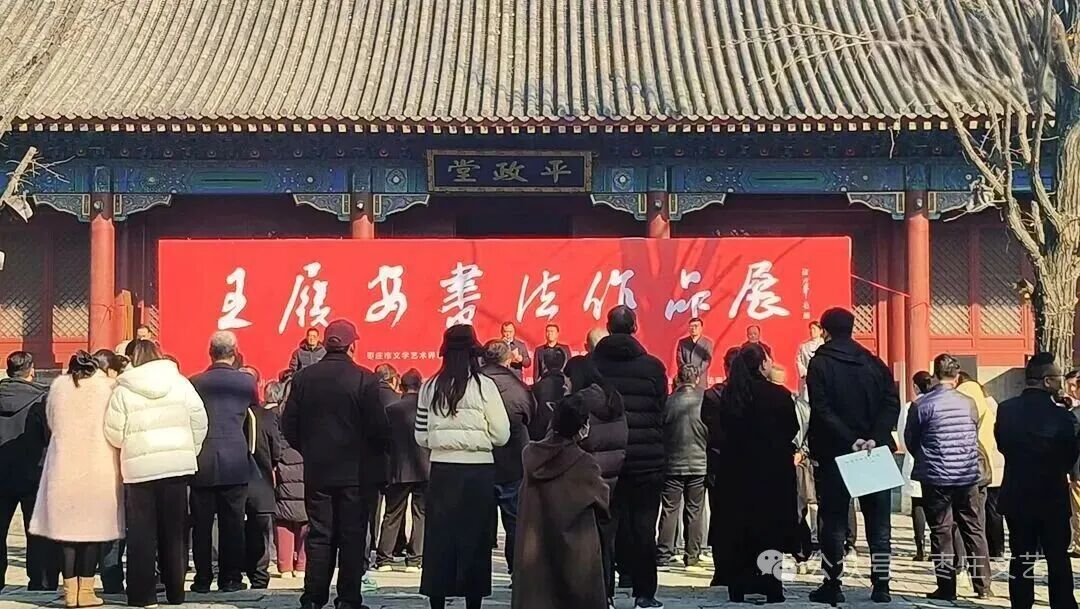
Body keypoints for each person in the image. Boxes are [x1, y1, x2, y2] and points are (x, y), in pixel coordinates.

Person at [282, 319, 389, 609]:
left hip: (318, 471)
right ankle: (348, 599)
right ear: (352, 346)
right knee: (352, 536)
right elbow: (379, 428)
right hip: (356, 473)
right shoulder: (365, 379)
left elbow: (288, 424)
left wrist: (308, 449)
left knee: (320, 534)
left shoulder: (304, 378)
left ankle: (313, 598)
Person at [805, 307, 899, 604]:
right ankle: (881, 585)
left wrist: (850, 438)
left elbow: (821, 408)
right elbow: (891, 402)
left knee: (833, 521)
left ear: (824, 331)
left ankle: (833, 583)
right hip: (874, 450)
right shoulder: (873, 363)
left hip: (835, 450)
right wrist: (874, 437)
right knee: (879, 523)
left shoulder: (820, 363)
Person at [105, 339, 208, 607]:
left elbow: (113, 432)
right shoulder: (181, 383)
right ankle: (175, 592)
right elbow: (200, 420)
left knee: (141, 533)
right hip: (176, 466)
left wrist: (131, 445)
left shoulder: (123, 390)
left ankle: (142, 595)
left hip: (139, 470)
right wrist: (189, 450)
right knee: (175, 532)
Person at [416, 324, 510, 609]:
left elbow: (421, 436)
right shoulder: (484, 386)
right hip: (478, 471)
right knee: (475, 538)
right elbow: (502, 434)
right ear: (473, 352)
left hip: (442, 470)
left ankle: (437, 600)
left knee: (440, 538)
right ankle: (472, 602)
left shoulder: (429, 386)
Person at [31, 351, 123, 609]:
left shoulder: (58, 388)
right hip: (98, 465)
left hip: (63, 464)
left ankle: (70, 592)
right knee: (92, 533)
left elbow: (51, 422)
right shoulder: (106, 389)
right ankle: (87, 591)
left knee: (66, 534)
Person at [591, 305, 668, 609]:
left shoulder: (593, 365)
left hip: (603, 459)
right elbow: (661, 408)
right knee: (643, 529)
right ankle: (644, 594)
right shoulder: (653, 367)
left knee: (604, 529)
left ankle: (604, 593)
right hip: (646, 459)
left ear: (608, 327)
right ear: (634, 328)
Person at [995, 352, 1080, 609]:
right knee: (1057, 557)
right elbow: (1070, 456)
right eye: (1058, 377)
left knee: (1021, 556)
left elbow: (1003, 446)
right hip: (1051, 495)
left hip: (1017, 493)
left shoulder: (1006, 410)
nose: (1061, 383)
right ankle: (1063, 604)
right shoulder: (1063, 416)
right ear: (1047, 381)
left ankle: (1021, 604)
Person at [904, 354, 992, 600]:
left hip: (936, 475)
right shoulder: (969, 403)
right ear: (957, 376)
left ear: (935, 375)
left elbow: (911, 440)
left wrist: (928, 457)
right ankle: (983, 585)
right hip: (967, 474)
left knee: (941, 531)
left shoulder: (921, 405)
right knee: (973, 528)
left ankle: (946, 587)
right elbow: (973, 431)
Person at [511, 391, 610, 609]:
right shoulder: (584, 463)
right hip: (575, 551)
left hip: (535, 548)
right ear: (581, 426)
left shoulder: (531, 454)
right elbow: (603, 500)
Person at [716, 344, 799, 602]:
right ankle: (771, 586)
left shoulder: (731, 395)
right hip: (772, 472)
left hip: (736, 471)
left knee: (739, 530)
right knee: (770, 530)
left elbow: (721, 430)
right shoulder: (779, 395)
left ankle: (738, 586)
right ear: (762, 364)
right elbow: (792, 428)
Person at [189, 330, 260, 593]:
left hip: (202, 458)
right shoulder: (246, 382)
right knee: (233, 524)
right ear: (234, 352)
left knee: (202, 525)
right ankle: (231, 578)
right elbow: (253, 415)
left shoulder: (195, 382)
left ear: (210, 352)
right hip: (235, 458)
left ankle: (202, 578)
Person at [0, 351, 58, 592]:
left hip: (2, 473)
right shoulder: (41, 398)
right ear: (31, 370)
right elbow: (49, 435)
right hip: (34, 472)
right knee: (37, 531)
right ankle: (41, 581)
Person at [571, 360, 627, 607]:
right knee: (606, 540)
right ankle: (607, 594)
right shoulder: (614, 399)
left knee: (583, 541)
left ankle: (586, 594)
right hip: (613, 477)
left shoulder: (579, 403)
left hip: (585, 479)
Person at [478, 340, 535, 575]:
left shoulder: (473, 383)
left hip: (480, 460)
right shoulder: (517, 387)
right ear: (508, 359)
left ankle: (476, 574)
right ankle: (516, 571)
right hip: (512, 461)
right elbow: (531, 414)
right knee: (514, 522)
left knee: (478, 522)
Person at [375, 369, 429, 572]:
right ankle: (415, 559)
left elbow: (383, 441)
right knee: (421, 514)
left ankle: (384, 558)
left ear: (401, 386)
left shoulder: (391, 410)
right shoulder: (428, 410)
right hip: (424, 468)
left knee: (392, 513)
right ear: (420, 385)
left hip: (398, 468)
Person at [656, 365, 708, 572]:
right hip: (699, 462)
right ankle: (692, 556)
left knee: (670, 509)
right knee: (695, 511)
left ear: (678, 379)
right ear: (696, 379)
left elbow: (660, 430)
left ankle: (664, 554)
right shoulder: (704, 401)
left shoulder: (668, 402)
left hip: (673, 462)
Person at [703, 346, 741, 586]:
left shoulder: (712, 396)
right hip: (745, 463)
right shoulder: (755, 395)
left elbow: (706, 427)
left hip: (718, 461)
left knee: (719, 515)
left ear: (726, 367)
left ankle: (722, 570)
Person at [245, 386, 282, 589]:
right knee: (260, 530)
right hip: (261, 479)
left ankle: (232, 575)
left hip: (236, 479)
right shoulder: (267, 417)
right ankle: (259, 576)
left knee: (233, 527)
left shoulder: (232, 415)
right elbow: (276, 450)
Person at [273, 380, 307, 580]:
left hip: (283, 467)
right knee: (306, 519)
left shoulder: (278, 414)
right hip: (306, 466)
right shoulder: (310, 413)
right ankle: (302, 565)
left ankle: (285, 566)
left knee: (283, 518)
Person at [899, 371, 935, 562]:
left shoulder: (909, 407)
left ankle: (920, 548)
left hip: (915, 460)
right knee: (937, 507)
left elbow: (903, 437)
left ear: (915, 386)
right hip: (936, 463)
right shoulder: (937, 403)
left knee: (918, 505)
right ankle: (937, 547)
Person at [530, 349, 570, 441]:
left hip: (541, 437)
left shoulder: (536, 388)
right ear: (564, 363)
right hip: (566, 436)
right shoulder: (570, 386)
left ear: (544, 364)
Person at [676, 318, 713, 387]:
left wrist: (695, 373)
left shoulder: (707, 343)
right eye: (691, 326)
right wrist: (686, 373)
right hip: (684, 379)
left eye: (696, 326)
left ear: (701, 328)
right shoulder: (682, 342)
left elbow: (707, 361)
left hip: (700, 379)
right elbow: (679, 359)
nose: (693, 328)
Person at [795, 322, 825, 399]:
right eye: (810, 329)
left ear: (821, 331)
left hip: (821, 379)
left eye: (814, 329)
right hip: (806, 378)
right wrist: (805, 372)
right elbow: (798, 361)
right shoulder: (804, 346)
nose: (811, 331)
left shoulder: (824, 346)